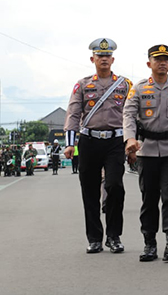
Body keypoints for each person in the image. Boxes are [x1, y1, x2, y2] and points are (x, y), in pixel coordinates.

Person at [123, 44, 168, 262]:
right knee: (149, 198)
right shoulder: (138, 89)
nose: (162, 63)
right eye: (157, 59)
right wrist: (130, 139)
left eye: (165, 59)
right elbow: (128, 115)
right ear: (149, 64)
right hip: (146, 150)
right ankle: (149, 244)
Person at [64, 38, 132, 254]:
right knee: (90, 190)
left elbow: (132, 114)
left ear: (113, 59)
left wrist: (133, 140)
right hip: (89, 141)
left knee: (114, 187)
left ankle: (114, 236)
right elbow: (73, 113)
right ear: (92, 58)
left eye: (107, 56)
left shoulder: (125, 84)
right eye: (100, 56)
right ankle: (94, 238)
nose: (104, 59)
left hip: (115, 141)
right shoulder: (83, 84)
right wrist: (69, 144)